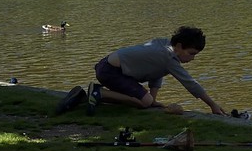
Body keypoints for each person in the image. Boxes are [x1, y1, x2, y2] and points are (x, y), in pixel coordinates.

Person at [91, 26, 226, 115]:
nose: (193, 58)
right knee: (145, 102)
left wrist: (153, 99)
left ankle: (96, 96)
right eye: (191, 53)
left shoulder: (165, 45)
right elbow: (190, 83)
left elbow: (157, 72)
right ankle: (100, 93)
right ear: (179, 46)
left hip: (107, 67)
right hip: (110, 71)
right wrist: (212, 105)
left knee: (148, 101)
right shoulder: (168, 57)